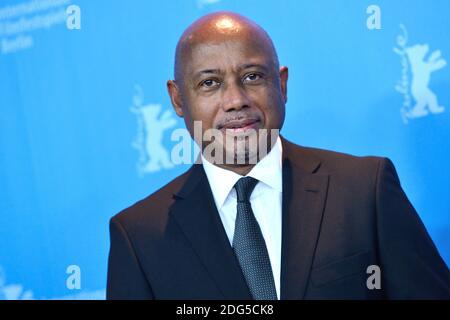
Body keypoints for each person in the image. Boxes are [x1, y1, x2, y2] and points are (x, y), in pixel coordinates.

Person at [106, 11, 450, 299]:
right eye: (209, 83)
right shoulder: (139, 236)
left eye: (252, 76)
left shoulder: (364, 189)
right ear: (178, 99)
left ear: (281, 84)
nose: (236, 100)